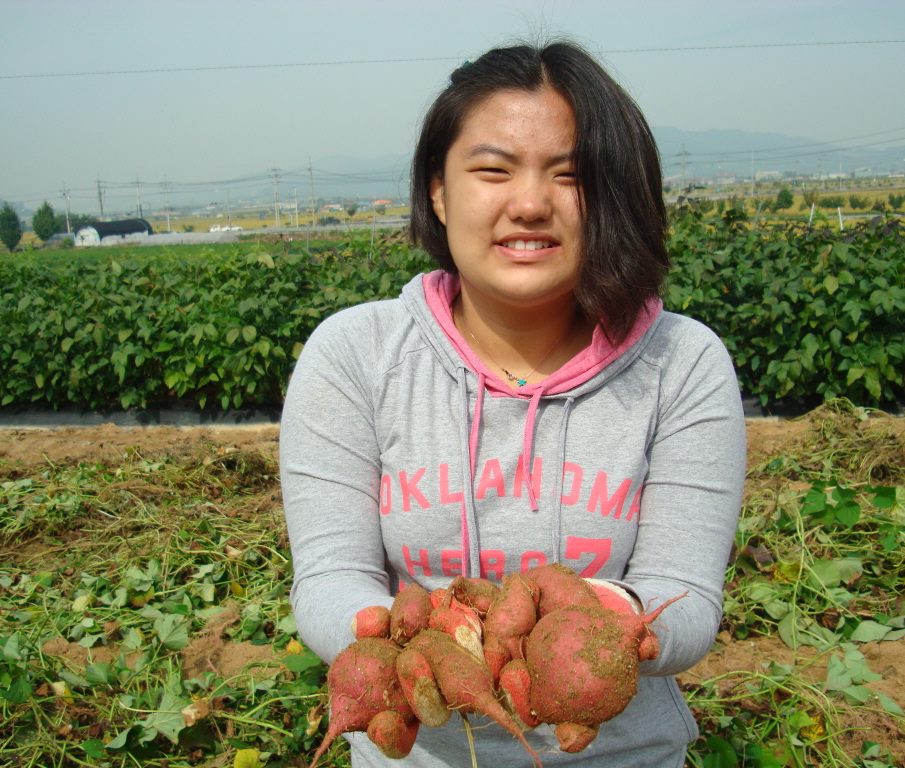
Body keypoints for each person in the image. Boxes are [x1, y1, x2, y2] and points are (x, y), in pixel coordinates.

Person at [280, 40, 746, 768]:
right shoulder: (353, 355)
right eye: (493, 170)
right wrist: (398, 642)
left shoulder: (680, 364)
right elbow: (329, 577)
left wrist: (620, 619)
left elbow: (683, 596)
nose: (530, 203)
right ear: (438, 188)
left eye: (571, 175)